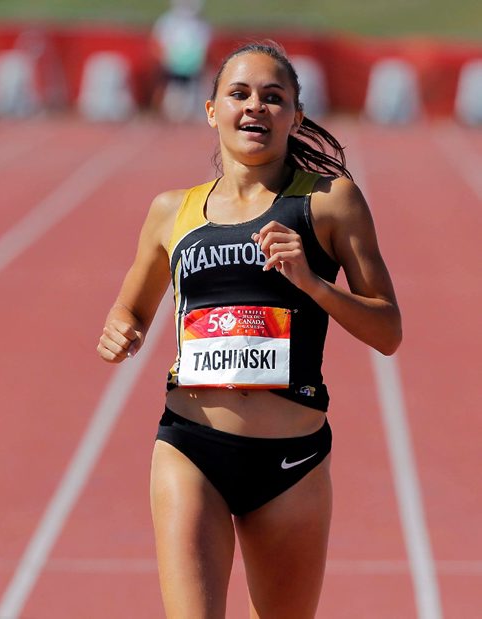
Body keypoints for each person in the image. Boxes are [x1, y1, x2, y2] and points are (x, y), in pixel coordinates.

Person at [97, 40, 402, 618]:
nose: (255, 107)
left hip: (291, 464)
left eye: (273, 97)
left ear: (296, 115)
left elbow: (388, 329)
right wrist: (120, 331)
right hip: (191, 448)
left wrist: (312, 282)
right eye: (238, 94)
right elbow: (129, 309)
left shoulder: (330, 204)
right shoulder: (172, 210)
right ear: (212, 110)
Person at [152, 0, 211, 122]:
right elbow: (158, 45)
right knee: (173, 105)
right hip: (173, 69)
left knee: (193, 108)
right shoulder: (168, 22)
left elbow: (205, 48)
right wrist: (165, 61)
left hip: (193, 71)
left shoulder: (201, 24)